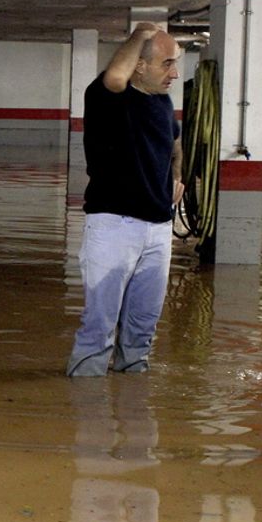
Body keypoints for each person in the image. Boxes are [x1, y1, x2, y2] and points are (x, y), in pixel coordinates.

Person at [68, 22, 184, 377]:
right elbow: (116, 77)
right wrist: (139, 36)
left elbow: (177, 147)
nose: (175, 73)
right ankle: (86, 407)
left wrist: (177, 178)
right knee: (99, 325)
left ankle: (133, 399)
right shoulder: (107, 99)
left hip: (158, 229)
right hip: (113, 226)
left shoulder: (163, 104)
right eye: (167, 63)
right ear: (139, 65)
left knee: (144, 325)